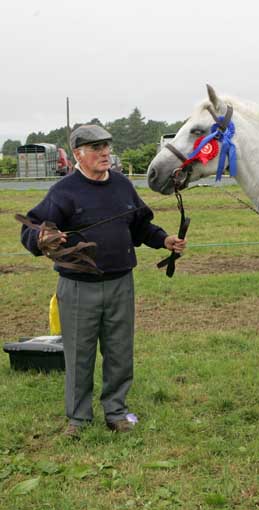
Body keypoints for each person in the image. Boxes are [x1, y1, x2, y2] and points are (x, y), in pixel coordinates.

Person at [20, 124, 186, 438]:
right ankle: (78, 420)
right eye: (96, 148)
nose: (105, 153)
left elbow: (141, 226)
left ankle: (117, 412)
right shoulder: (64, 191)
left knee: (120, 352)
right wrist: (41, 237)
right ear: (78, 154)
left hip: (121, 283)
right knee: (79, 355)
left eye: (107, 146)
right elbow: (30, 229)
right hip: (78, 287)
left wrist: (164, 240)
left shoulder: (122, 186)